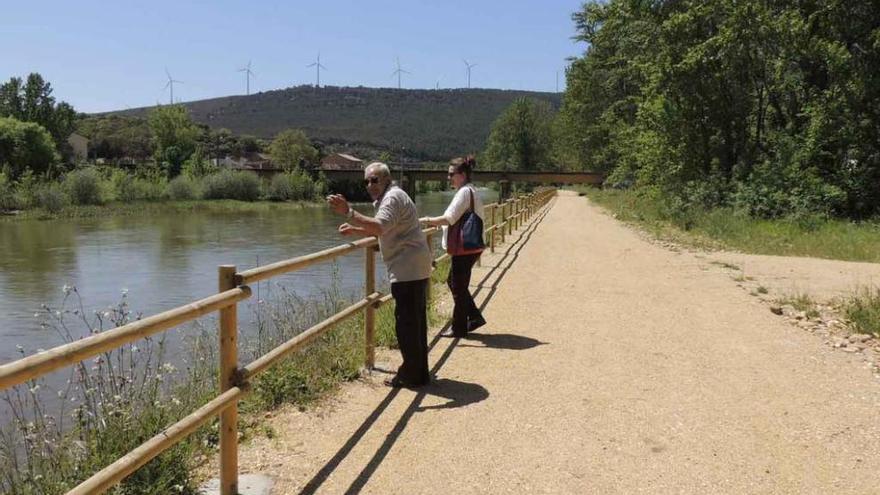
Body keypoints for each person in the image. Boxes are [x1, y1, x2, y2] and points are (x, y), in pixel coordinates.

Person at [327, 162, 433, 388]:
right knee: (414, 323)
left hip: (408, 268)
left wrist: (348, 212)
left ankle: (411, 375)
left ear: (386, 180)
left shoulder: (392, 198)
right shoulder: (392, 197)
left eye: (374, 180)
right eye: (366, 181)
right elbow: (386, 228)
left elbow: (380, 226)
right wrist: (356, 230)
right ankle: (419, 373)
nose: (369, 185)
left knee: (406, 325)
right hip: (413, 265)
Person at [421, 156, 487, 338]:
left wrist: (427, 220)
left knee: (457, 285)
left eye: (451, 174)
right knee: (455, 282)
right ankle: (474, 317)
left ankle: (459, 328)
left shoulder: (465, 192)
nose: (448, 178)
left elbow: (449, 217)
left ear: (463, 175)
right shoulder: (470, 190)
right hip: (471, 245)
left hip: (465, 246)